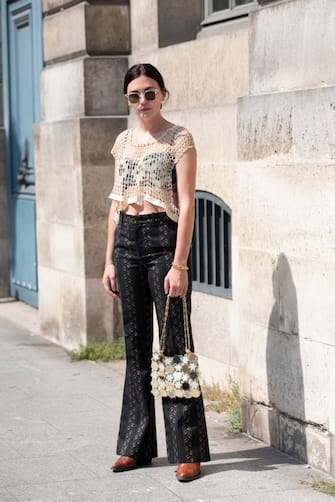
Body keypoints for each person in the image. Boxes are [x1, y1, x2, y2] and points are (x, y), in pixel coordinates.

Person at [102, 63, 210, 482]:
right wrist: (109, 259)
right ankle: (136, 445)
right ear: (127, 100)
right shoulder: (123, 140)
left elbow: (187, 204)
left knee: (175, 348)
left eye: (149, 93)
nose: (142, 101)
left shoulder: (179, 139)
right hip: (127, 241)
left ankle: (187, 449)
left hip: (164, 242)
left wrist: (180, 264)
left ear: (163, 94)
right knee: (135, 348)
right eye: (134, 95)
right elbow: (115, 204)